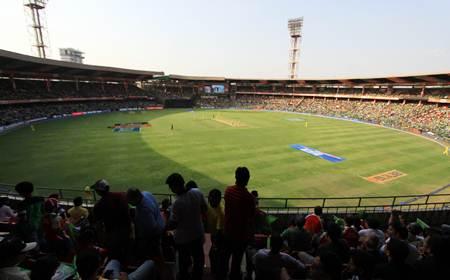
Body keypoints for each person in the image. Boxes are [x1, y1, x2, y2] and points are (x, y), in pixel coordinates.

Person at [166, 173, 207, 280]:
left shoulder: (177, 203)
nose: (170, 189)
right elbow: (204, 209)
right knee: (198, 261)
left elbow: (173, 224)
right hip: (198, 233)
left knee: (184, 264)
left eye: (171, 186)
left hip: (183, 239)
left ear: (175, 186)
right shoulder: (197, 192)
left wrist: (165, 226)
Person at [223, 166, 256, 280]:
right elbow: (251, 219)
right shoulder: (249, 198)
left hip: (227, 231)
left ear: (236, 177)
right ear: (247, 179)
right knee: (236, 262)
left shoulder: (228, 190)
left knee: (225, 258)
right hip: (240, 235)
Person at [91, 179, 131, 261]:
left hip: (113, 234)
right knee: (127, 252)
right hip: (127, 230)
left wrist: (102, 241)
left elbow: (98, 225)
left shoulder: (98, 206)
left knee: (116, 256)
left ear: (98, 191)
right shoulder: (121, 195)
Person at [126, 188, 165, 260]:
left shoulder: (145, 210)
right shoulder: (145, 193)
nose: (130, 203)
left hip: (154, 234)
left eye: (130, 201)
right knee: (157, 250)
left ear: (136, 198)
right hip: (159, 224)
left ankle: (157, 267)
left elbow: (152, 228)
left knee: (154, 253)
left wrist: (142, 239)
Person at [206, 189, 225, 279]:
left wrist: (215, 245)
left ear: (218, 199)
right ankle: (216, 272)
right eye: (209, 197)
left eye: (212, 198)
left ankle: (218, 274)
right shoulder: (211, 206)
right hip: (214, 235)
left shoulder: (221, 212)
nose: (210, 200)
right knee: (215, 255)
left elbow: (219, 231)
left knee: (216, 255)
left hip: (220, 237)